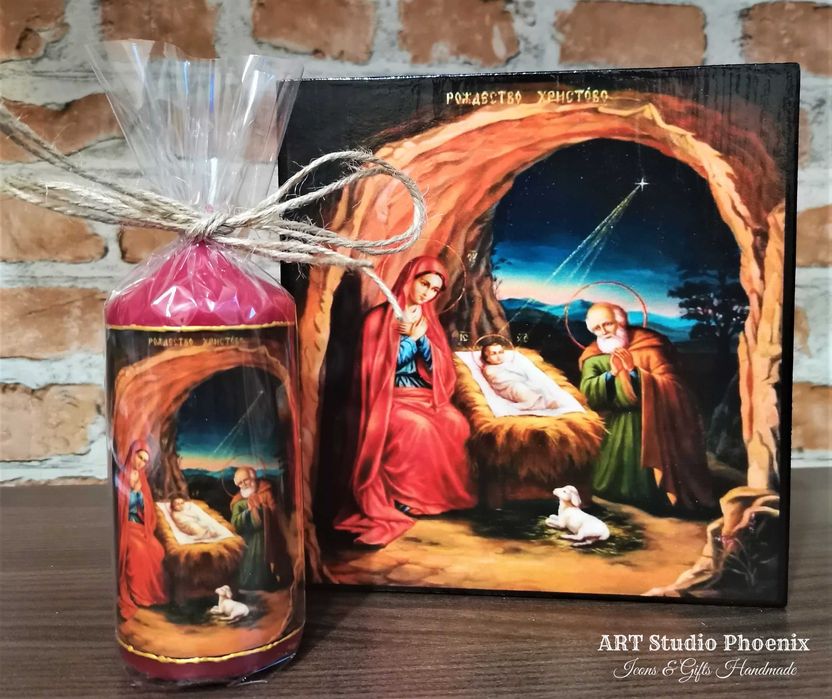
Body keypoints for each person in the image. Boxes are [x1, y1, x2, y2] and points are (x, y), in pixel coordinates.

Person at [335, 256, 476, 547]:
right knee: (417, 427)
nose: (427, 293)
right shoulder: (377, 319)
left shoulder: (428, 321)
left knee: (456, 422)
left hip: (421, 393)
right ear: (409, 279)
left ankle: (436, 497)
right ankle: (406, 499)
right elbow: (375, 370)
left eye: (434, 289)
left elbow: (441, 370)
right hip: (388, 397)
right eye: (424, 284)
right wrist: (406, 340)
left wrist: (421, 340)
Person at [579, 302, 715, 513]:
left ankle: (655, 495)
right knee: (607, 480)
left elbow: (673, 385)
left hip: (652, 420)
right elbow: (587, 393)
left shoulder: (650, 348)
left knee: (649, 485)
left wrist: (635, 372)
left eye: (607, 324)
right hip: (615, 422)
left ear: (621, 322)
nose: (603, 332)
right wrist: (611, 374)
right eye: (597, 328)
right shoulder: (592, 357)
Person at [116, 440, 168, 619]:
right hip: (126, 527)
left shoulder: (142, 479)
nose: (142, 463)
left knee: (157, 549)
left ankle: (154, 595)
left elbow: (148, 510)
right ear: (132, 454)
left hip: (139, 526)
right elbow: (119, 507)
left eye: (145, 461)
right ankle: (140, 596)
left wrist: (140, 497)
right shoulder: (121, 476)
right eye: (140, 457)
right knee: (138, 551)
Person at [230, 466, 292, 590]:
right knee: (247, 563)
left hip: (265, 536)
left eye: (245, 480)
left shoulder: (266, 493)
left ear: (253, 478)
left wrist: (262, 510)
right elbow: (235, 522)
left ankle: (266, 582)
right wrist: (248, 513)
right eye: (240, 483)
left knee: (263, 562)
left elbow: (275, 514)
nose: (243, 485)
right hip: (247, 538)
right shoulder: (237, 501)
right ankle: (247, 584)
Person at [480, 340, 564, 410]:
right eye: (494, 354)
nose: (498, 356)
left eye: (500, 352)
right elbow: (498, 380)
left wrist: (523, 377)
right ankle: (533, 404)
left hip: (521, 382)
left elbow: (521, 372)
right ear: (486, 358)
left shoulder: (508, 363)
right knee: (519, 388)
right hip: (508, 387)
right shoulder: (489, 369)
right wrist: (516, 378)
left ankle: (546, 401)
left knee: (537, 385)